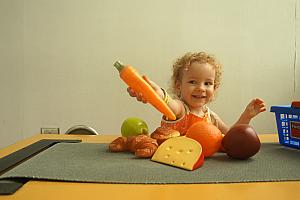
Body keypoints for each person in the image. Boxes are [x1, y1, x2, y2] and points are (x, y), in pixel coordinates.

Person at [127, 52, 266, 135]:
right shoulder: (181, 109)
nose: (201, 88)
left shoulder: (210, 116)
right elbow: (168, 102)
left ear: (215, 88)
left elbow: (231, 135)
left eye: (207, 83)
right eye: (193, 82)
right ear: (178, 86)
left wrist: (246, 116)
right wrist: (154, 92)